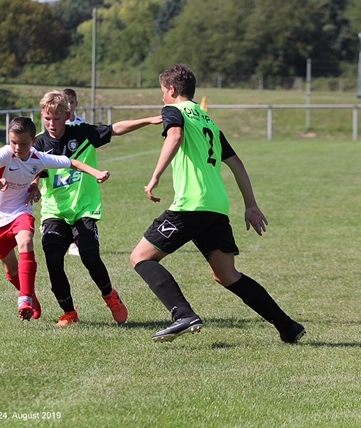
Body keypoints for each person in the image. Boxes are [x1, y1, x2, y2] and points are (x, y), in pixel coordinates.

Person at [129, 64, 306, 343]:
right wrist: (250, 204)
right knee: (226, 274)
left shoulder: (174, 110)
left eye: (162, 91)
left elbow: (174, 136)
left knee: (141, 257)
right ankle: (288, 326)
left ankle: (183, 315)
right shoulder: (208, 120)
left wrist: (155, 177)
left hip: (191, 204)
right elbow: (236, 164)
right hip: (217, 206)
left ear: (171, 89)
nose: (162, 96)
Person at [32, 90, 161, 327]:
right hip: (54, 211)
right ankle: (69, 312)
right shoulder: (38, 143)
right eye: (47, 118)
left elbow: (115, 129)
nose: (51, 124)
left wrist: (148, 120)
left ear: (67, 115)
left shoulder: (82, 133)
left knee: (90, 255)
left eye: (57, 119)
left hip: (84, 208)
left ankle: (110, 295)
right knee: (53, 259)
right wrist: (33, 186)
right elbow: (33, 170)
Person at [0, 117, 110, 321]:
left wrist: (96, 172)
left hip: (21, 210)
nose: (17, 148)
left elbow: (72, 162)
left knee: (26, 241)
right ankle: (31, 296)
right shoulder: (6, 154)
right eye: (13, 142)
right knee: (11, 268)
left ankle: (25, 299)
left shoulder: (39, 158)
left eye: (23, 143)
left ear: (33, 142)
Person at [62, 88, 85, 256]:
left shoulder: (82, 124)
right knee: (65, 203)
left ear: (76, 104)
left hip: (79, 170)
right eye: (66, 102)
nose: (69, 105)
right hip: (61, 171)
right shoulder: (57, 124)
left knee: (78, 203)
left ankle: (77, 241)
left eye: (71, 102)